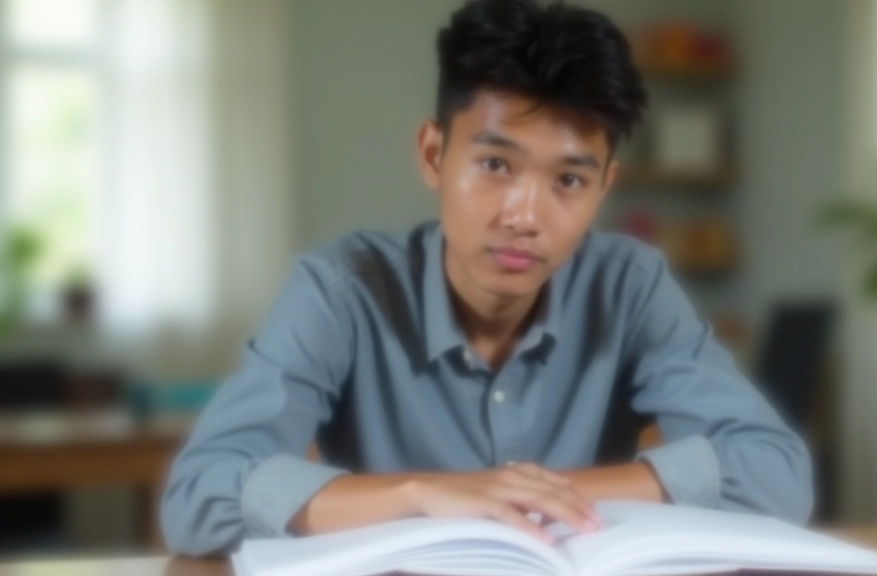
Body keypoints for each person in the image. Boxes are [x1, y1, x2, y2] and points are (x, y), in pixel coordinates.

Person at [162, 0, 813, 557]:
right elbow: (197, 496)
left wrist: (539, 495)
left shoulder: (629, 287)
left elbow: (779, 472)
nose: (525, 217)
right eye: (496, 165)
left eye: (568, 181)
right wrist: (424, 495)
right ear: (434, 154)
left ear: (603, 189)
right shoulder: (341, 290)